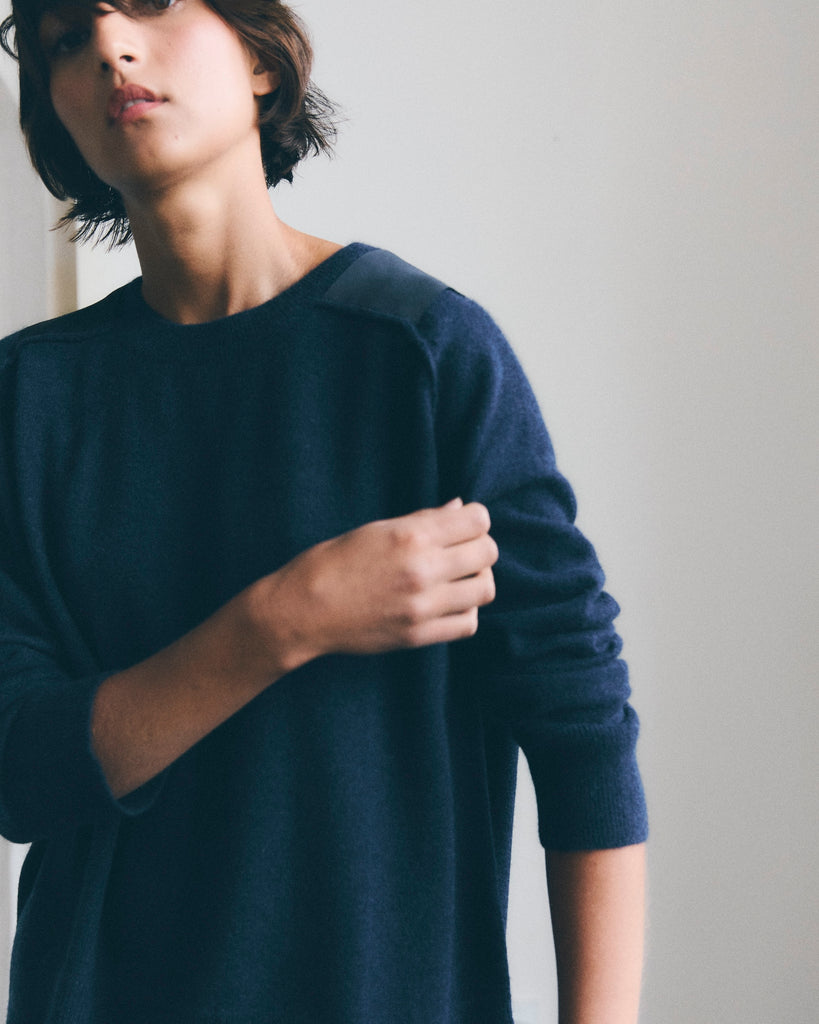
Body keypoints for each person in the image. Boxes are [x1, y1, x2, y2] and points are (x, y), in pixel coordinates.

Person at [0, 0, 648, 1021]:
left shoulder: (426, 353)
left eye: (154, 6)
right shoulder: (28, 400)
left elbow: (582, 731)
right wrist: (285, 619)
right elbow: (20, 768)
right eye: (66, 39)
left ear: (262, 60)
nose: (113, 47)